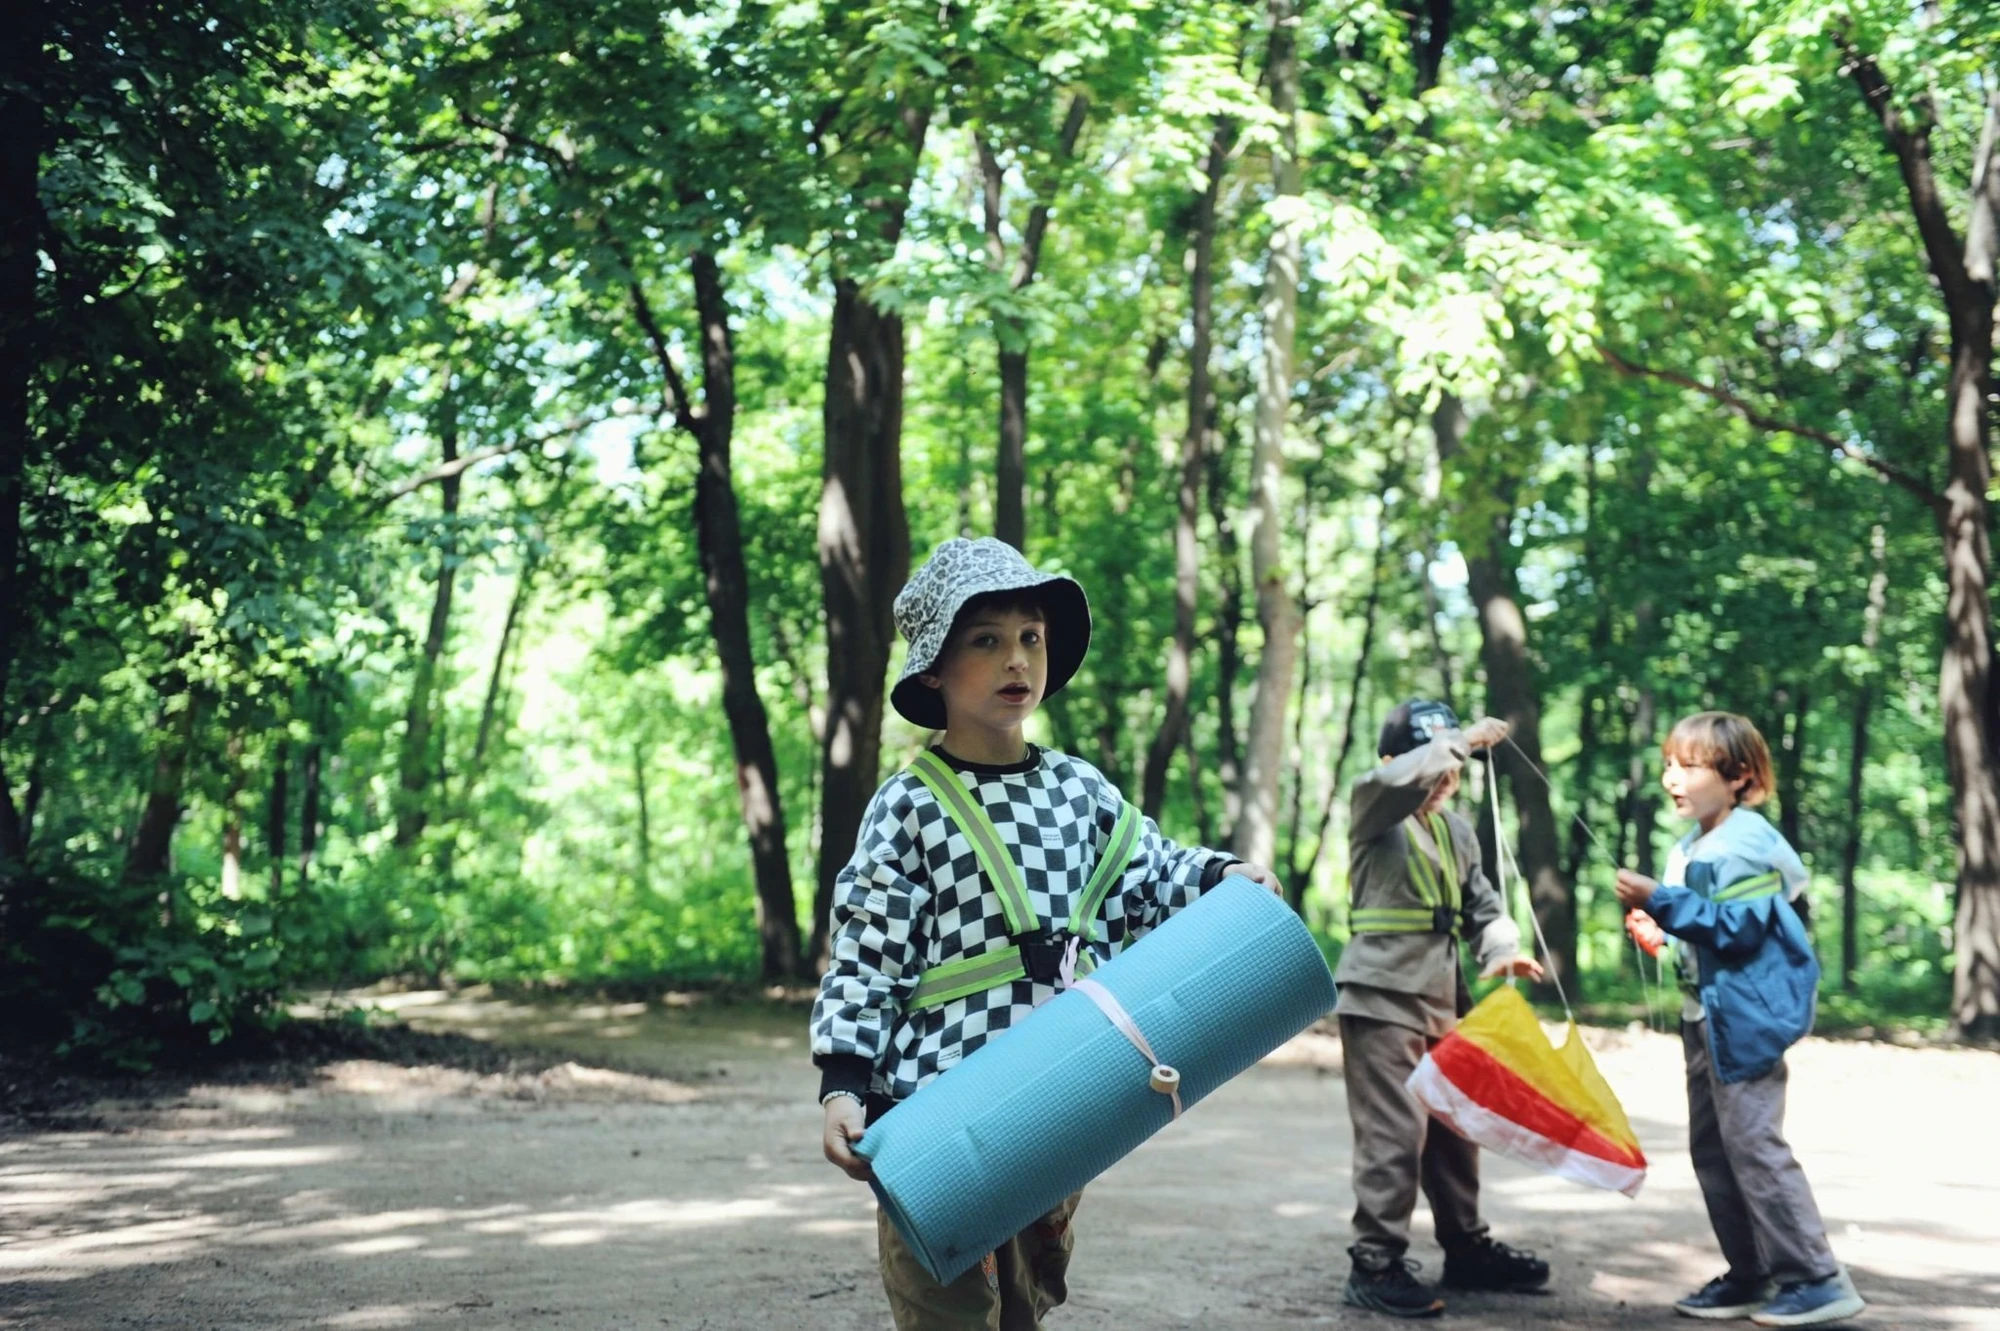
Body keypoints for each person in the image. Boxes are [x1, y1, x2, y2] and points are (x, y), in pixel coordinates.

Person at [810, 536, 1280, 1331]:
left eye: (1030, 637)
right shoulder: (908, 805)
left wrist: (1216, 875)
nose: (1016, 659)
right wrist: (845, 1082)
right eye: (986, 640)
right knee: (943, 1296)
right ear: (933, 670)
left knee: (1030, 1293)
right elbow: (868, 950)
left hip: (1061, 1086)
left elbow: (1147, 868)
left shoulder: (1078, 789)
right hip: (936, 1098)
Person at [1616, 711, 1864, 1327]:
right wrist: (1661, 930)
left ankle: (1816, 1278)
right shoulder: (1691, 846)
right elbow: (1702, 933)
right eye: (1669, 763)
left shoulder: (1746, 842)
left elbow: (1741, 928)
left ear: (1739, 778)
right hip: (1705, 1016)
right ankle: (1751, 1273)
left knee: (1754, 1144)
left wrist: (1660, 901)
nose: (1674, 776)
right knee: (1714, 1148)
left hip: (1746, 1018)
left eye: (1691, 765)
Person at [1336, 699, 1552, 1319]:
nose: (1444, 782)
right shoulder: (1375, 810)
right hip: (1381, 996)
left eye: (1454, 774)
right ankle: (1374, 1261)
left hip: (1442, 998)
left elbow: (1483, 904)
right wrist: (1455, 743)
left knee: (1455, 1130)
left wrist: (1502, 947)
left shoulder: (1456, 831)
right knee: (1395, 1134)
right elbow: (1391, 783)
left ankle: (1465, 1245)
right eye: (1435, 768)